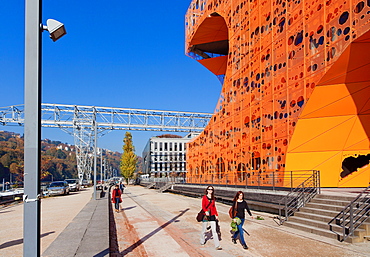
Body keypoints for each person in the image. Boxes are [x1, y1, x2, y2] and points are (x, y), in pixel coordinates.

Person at [200, 186, 222, 250]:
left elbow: (214, 207)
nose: (210, 191)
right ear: (207, 190)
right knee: (204, 229)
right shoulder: (204, 197)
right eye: (209, 189)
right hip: (206, 215)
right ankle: (202, 240)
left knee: (214, 230)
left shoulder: (213, 198)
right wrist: (206, 211)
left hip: (212, 214)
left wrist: (216, 214)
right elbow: (203, 206)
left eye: (211, 190)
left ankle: (217, 245)